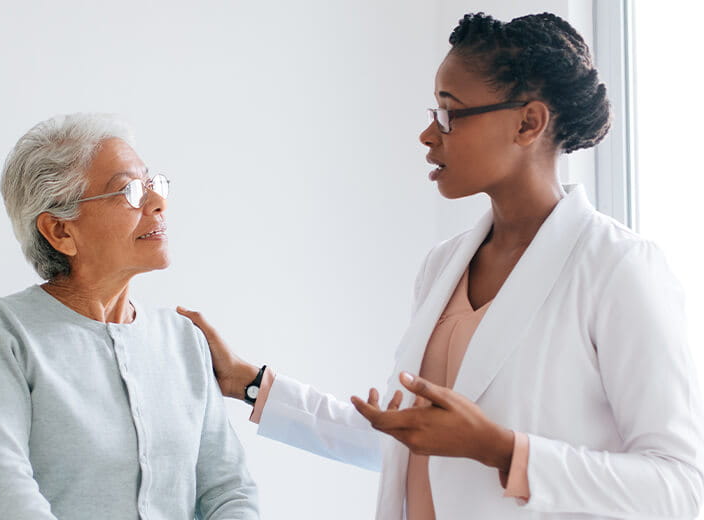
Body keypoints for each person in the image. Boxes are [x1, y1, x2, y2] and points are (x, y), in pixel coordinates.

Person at [177, 12, 704, 519]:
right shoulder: (441, 266)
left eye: (449, 113)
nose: (429, 135)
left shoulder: (619, 268)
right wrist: (249, 382)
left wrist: (503, 450)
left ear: (528, 122)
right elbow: (412, 447)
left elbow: (681, 486)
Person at [0, 114, 259, 520]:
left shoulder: (183, 338)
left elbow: (229, 490)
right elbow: (1, 491)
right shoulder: (2, 330)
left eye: (151, 183)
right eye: (129, 191)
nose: (157, 201)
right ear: (60, 231)